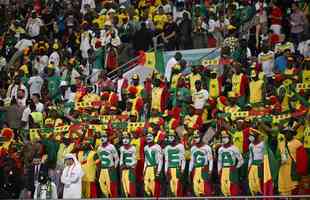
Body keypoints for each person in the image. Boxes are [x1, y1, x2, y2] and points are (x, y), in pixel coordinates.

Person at [218, 131, 244, 196]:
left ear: (229, 138)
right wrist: (219, 170)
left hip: (231, 169)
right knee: (224, 188)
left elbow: (241, 160)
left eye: (225, 137)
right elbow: (219, 161)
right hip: (223, 170)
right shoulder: (220, 149)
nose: (224, 139)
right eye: (222, 137)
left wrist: (236, 167)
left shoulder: (234, 148)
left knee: (233, 189)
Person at [189, 131, 213, 196]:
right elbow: (192, 161)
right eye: (194, 137)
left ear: (201, 137)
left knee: (206, 187)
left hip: (204, 168)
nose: (195, 139)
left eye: (197, 137)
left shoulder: (207, 147)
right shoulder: (193, 148)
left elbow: (210, 160)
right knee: (196, 188)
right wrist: (190, 170)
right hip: (196, 169)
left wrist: (210, 170)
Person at [97, 131, 119, 197]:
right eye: (101, 137)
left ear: (107, 138)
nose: (102, 138)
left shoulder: (111, 146)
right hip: (103, 168)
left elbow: (117, 158)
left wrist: (114, 167)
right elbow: (100, 158)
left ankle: (112, 197)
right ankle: (106, 196)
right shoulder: (99, 148)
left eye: (104, 136)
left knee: (111, 185)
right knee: (101, 182)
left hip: (110, 168)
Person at [164, 130, 185, 197]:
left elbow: (183, 160)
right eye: (169, 136)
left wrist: (182, 170)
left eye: (172, 136)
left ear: (175, 137)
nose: (170, 138)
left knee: (178, 188)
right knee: (170, 188)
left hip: (177, 168)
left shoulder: (180, 146)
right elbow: (166, 161)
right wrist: (165, 171)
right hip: (170, 168)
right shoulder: (167, 147)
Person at [144, 132, 163, 197]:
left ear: (154, 137)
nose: (148, 137)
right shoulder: (145, 147)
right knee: (146, 186)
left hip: (154, 167)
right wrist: (144, 170)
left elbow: (160, 160)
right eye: (147, 136)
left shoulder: (157, 146)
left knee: (154, 185)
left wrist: (158, 172)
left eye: (150, 136)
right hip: (148, 168)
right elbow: (146, 160)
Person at [119, 132, 137, 197]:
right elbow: (121, 158)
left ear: (130, 139)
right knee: (124, 184)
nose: (125, 140)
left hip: (131, 169)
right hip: (123, 169)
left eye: (127, 138)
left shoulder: (133, 148)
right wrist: (121, 165)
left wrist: (129, 166)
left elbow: (135, 160)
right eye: (123, 138)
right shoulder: (121, 148)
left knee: (131, 185)